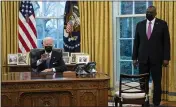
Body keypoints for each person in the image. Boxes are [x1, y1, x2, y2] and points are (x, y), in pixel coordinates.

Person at [132, 6, 170, 106]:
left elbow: (166, 42)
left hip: (157, 59)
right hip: (143, 58)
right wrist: (134, 58)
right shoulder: (140, 25)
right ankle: (145, 102)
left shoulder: (162, 24)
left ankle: (156, 102)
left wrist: (166, 58)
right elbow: (136, 42)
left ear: (155, 13)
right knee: (143, 82)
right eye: (147, 12)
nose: (148, 14)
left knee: (157, 82)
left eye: (151, 12)